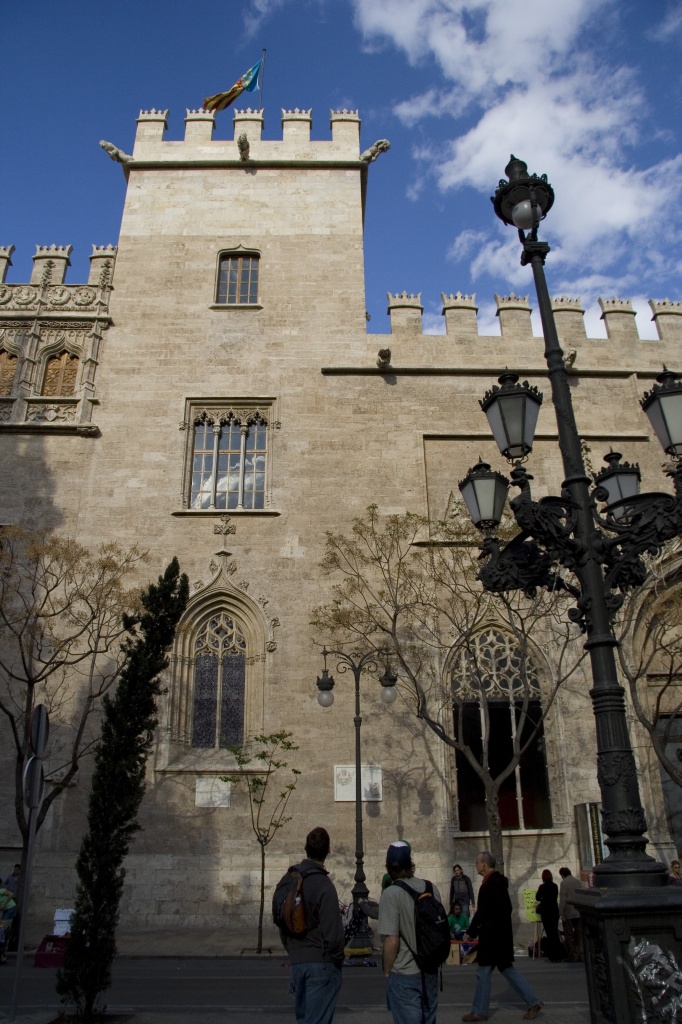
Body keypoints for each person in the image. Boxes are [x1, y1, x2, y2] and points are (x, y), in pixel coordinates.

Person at [462, 851, 542, 1022]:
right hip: (499, 936)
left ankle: (479, 1010)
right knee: (507, 969)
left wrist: (472, 931)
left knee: (483, 972)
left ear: (484, 864)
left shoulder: (491, 884)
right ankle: (533, 1001)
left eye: (477, 862)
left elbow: (483, 912)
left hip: (492, 937)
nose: (476, 866)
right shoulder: (497, 883)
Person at [279, 826, 345, 1024]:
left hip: (298, 962)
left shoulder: (288, 879)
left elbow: (282, 919)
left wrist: (293, 951)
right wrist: (337, 958)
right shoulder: (324, 885)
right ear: (328, 851)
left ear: (305, 848)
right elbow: (333, 934)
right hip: (321, 961)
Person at [379, 840, 441, 1024]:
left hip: (405, 971)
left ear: (389, 867)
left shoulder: (391, 894)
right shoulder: (431, 888)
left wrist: (387, 972)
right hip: (429, 969)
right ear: (410, 863)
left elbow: (391, 940)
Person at [535, 869, 563, 962]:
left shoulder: (542, 887)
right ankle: (559, 954)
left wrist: (543, 897)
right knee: (554, 932)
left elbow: (537, 897)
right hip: (554, 911)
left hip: (546, 912)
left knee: (549, 933)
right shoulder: (555, 886)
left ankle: (553, 956)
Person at [558, 867, 583, 962]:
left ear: (562, 875)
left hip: (568, 911)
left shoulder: (564, 883)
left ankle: (573, 954)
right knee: (579, 934)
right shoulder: (577, 882)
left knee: (569, 934)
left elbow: (563, 898)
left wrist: (561, 912)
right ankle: (581, 953)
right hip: (578, 911)